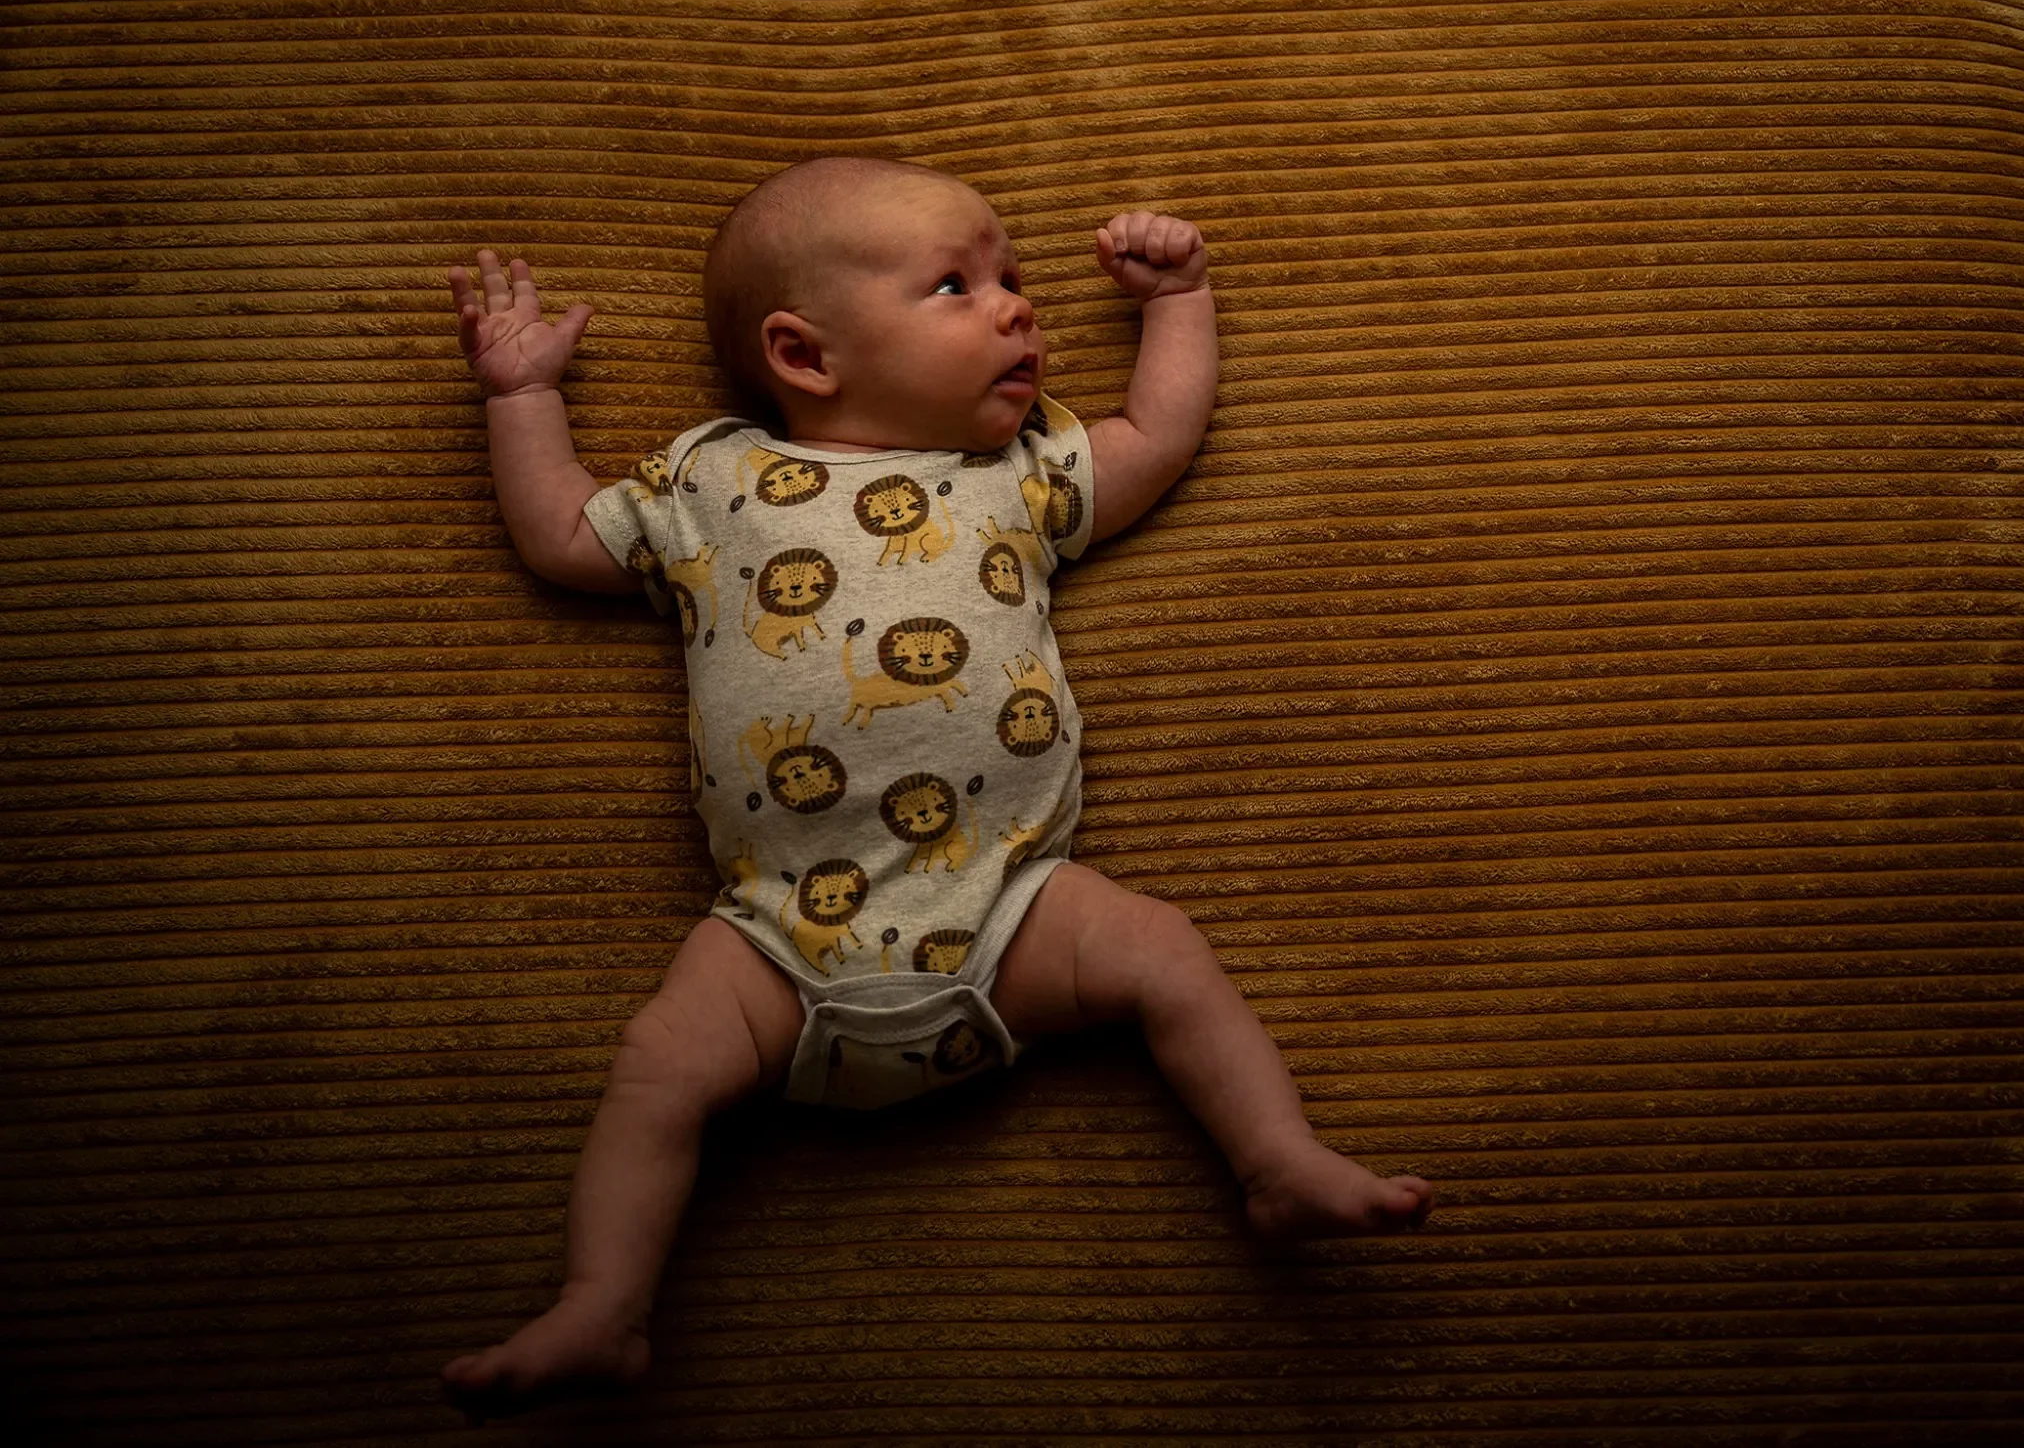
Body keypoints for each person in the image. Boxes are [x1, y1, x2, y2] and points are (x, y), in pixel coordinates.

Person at [439, 157, 1432, 1416]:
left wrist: (1179, 303)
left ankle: (1275, 1157)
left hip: (1009, 899)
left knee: (1161, 953)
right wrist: (521, 396)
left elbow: (1157, 438)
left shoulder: (1019, 472)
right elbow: (563, 536)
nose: (1016, 305)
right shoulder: (708, 484)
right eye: (955, 285)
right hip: (776, 932)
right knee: (657, 1067)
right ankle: (605, 1303)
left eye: (1013, 278)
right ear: (803, 356)